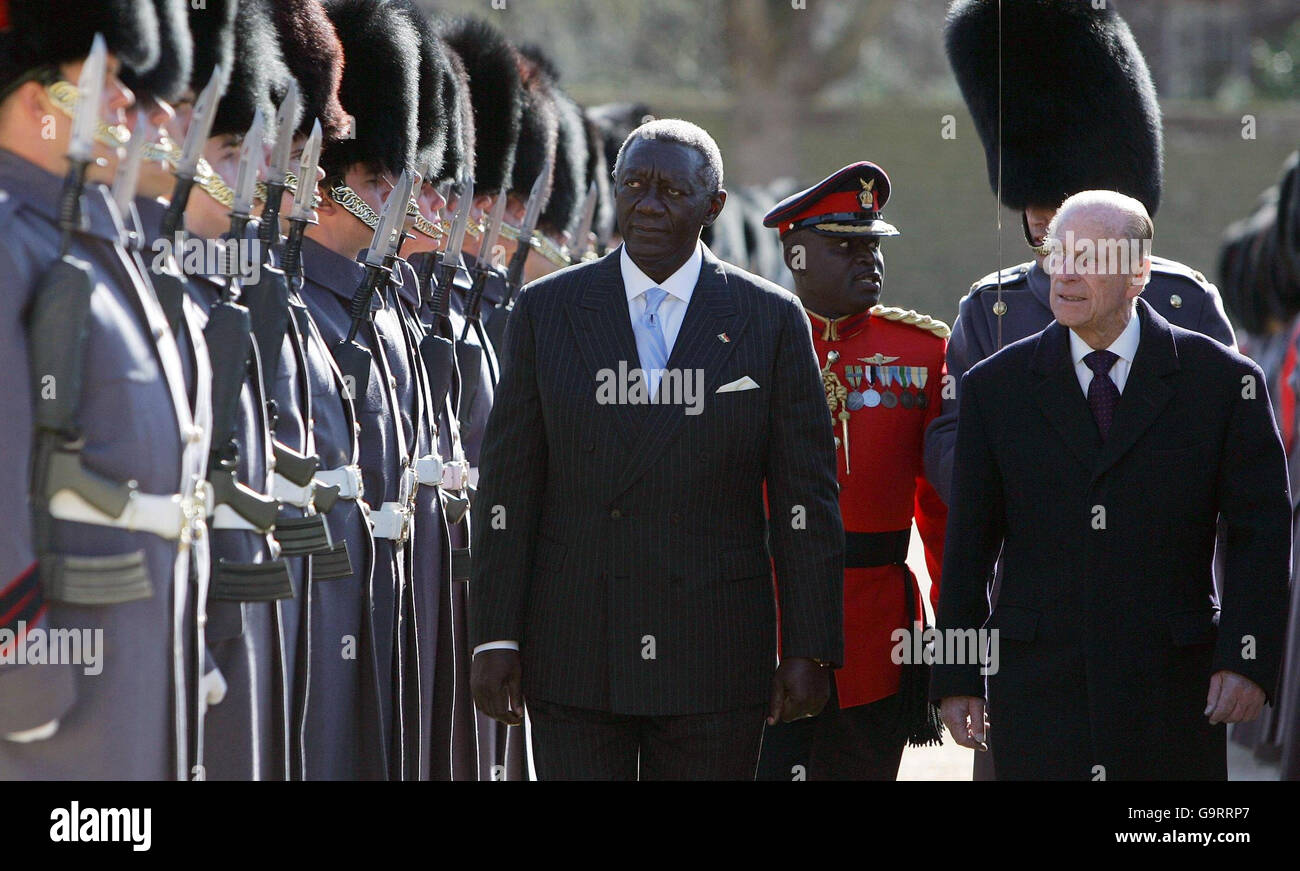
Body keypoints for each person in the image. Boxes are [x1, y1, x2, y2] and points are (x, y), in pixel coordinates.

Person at [470, 118, 844, 780]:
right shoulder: (546, 310)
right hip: (577, 647)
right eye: (634, 185)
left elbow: (804, 499)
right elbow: (508, 485)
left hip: (713, 649)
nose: (647, 205)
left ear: (714, 206)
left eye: (672, 190)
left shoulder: (769, 319)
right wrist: (496, 632)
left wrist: (810, 646)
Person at [927, 0, 1239, 781]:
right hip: (1034, 629)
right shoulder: (988, 308)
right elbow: (951, 454)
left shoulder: (1186, 302)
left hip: (1159, 628)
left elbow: (1238, 471)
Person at [932, 191, 1292, 780]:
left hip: (1172, 690)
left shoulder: (1224, 384)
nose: (1064, 274)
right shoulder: (997, 388)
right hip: (1036, 690)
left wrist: (1246, 662)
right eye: (1056, 254)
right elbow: (969, 546)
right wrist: (955, 674)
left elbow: (1261, 534)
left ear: (1139, 272)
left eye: (1089, 257)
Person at [0, 0, 211, 780]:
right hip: (54, 712)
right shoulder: (11, 243)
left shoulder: (86, 242)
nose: (129, 101)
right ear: (34, 101)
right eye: (106, 80)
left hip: (131, 683)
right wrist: (24, 676)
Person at [758, 162, 949, 780]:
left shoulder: (925, 353)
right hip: (767, 621)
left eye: (873, 246)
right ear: (796, 255)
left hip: (878, 631)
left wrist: (955, 633)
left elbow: (942, 512)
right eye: (845, 246)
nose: (868, 260)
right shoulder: (750, 344)